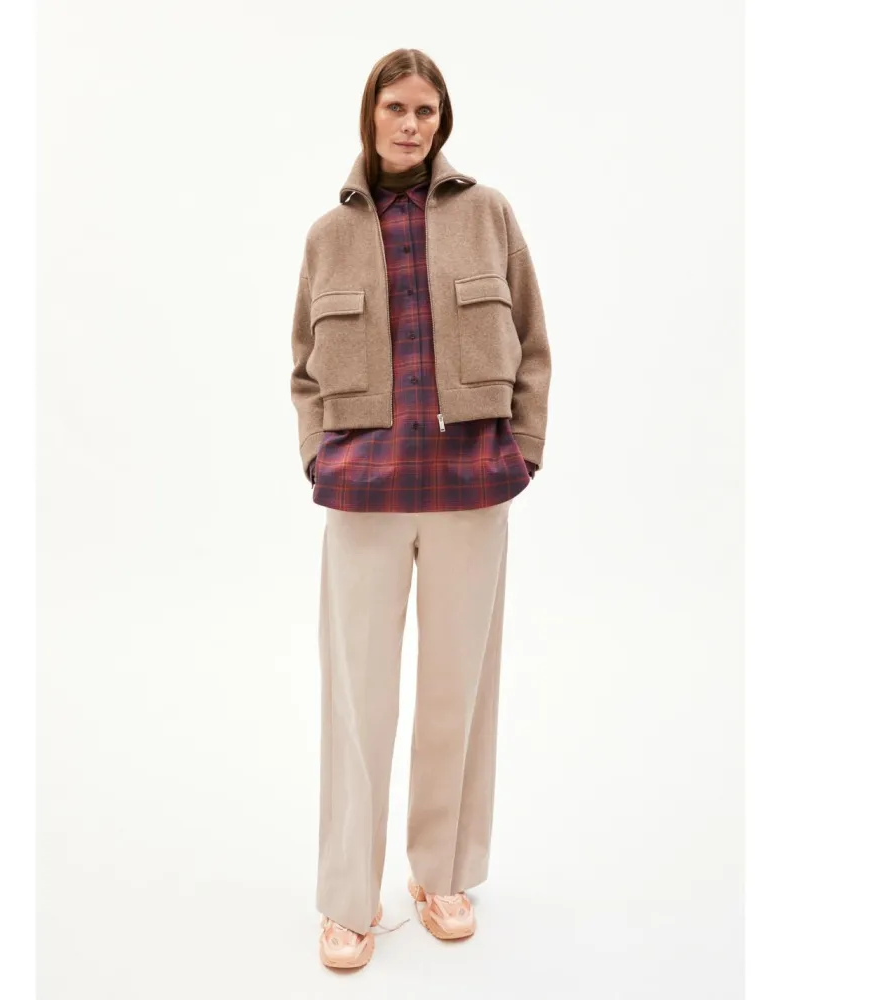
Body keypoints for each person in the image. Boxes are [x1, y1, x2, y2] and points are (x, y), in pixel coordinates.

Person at [289, 47, 551, 971]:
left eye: (425, 111)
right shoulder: (328, 234)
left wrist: (524, 447)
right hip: (361, 492)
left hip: (470, 486)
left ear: (443, 121)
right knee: (355, 702)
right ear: (371, 114)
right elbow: (302, 367)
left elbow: (532, 340)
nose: (410, 124)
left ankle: (441, 874)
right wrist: (317, 453)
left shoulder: (488, 214)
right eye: (395, 108)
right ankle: (347, 898)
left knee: (458, 693)